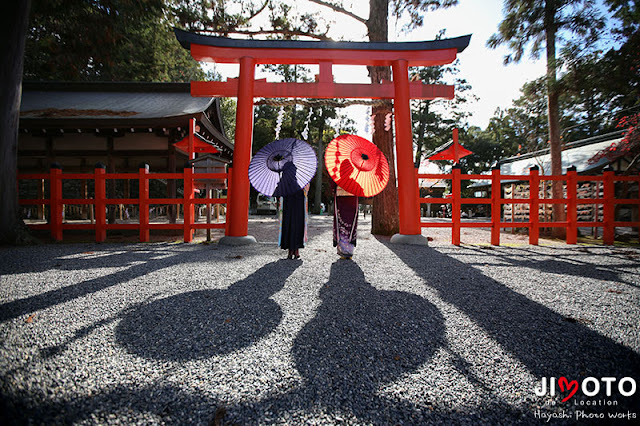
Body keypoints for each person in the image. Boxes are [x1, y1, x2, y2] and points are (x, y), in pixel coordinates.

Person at [276, 162, 308, 259]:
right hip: (298, 203)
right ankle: (296, 250)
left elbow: (278, 192)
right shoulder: (300, 180)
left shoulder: (284, 180)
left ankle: (290, 251)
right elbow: (306, 190)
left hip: (288, 204)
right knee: (297, 226)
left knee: (288, 225)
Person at [331, 179, 359, 259]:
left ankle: (343, 249)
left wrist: (334, 187)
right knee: (351, 223)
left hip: (341, 196)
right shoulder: (356, 172)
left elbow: (333, 184)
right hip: (352, 196)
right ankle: (349, 250)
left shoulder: (338, 173)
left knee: (341, 223)